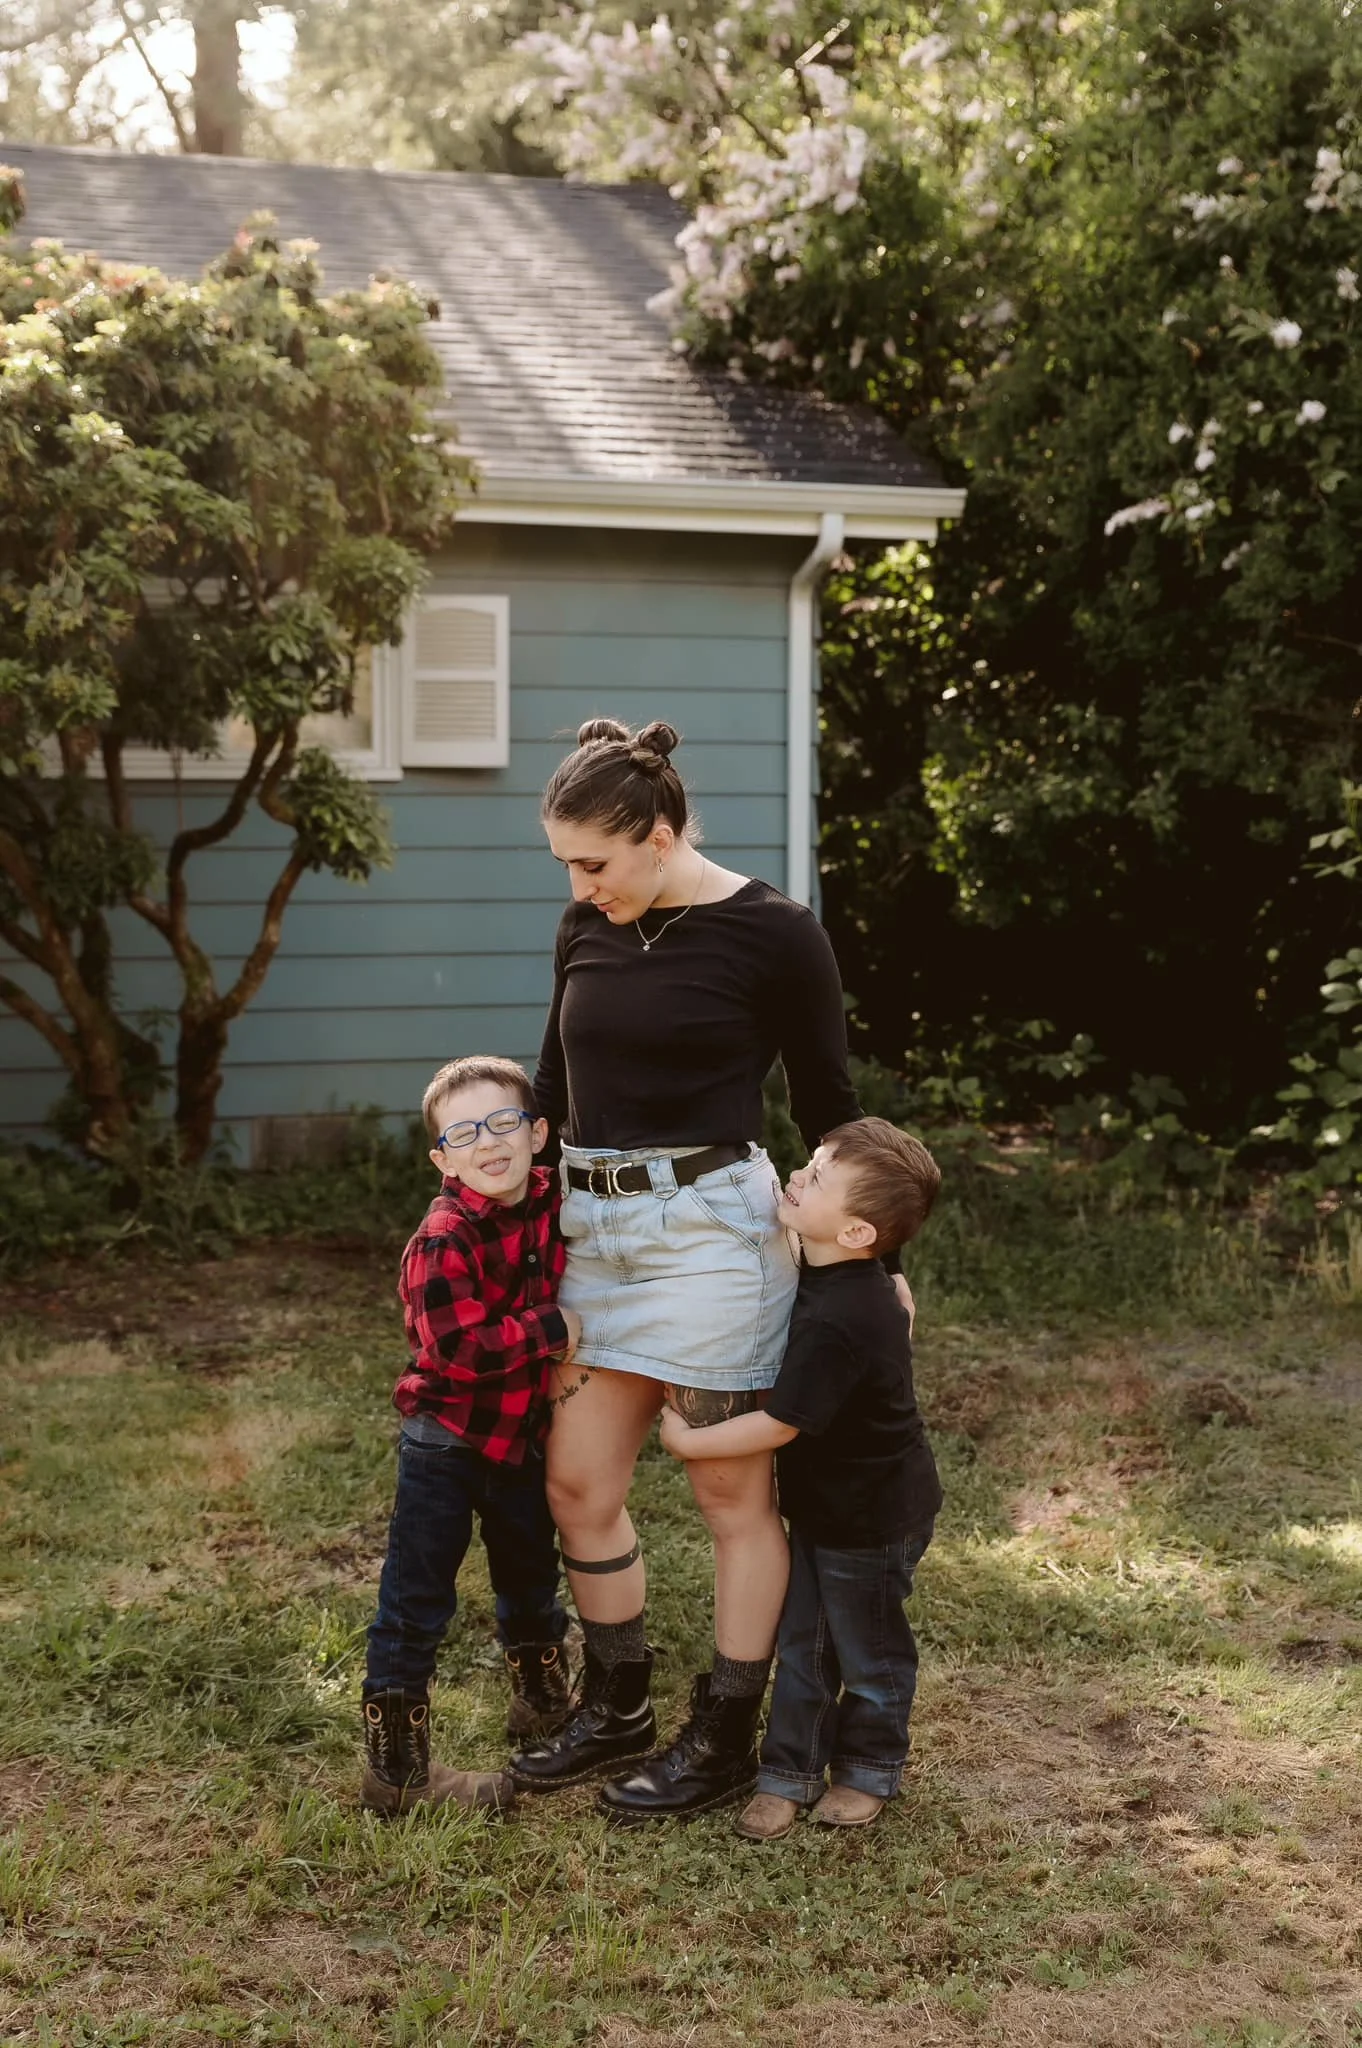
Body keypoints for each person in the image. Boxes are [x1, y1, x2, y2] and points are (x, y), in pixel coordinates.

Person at [510, 716, 914, 1823]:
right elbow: (553, 1086)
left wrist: (877, 1262)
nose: (581, 886)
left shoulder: (778, 934)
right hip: (595, 1233)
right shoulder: (584, 923)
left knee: (730, 1492)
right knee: (578, 1485)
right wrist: (486, 1200)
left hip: (712, 1235)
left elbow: (832, 1108)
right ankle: (618, 1705)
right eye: (567, 865)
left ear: (661, 833)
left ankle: (727, 1735)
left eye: (595, 861)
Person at [659, 1116, 943, 1839]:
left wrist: (691, 1441)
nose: (796, 1176)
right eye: (809, 1165)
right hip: (822, 1506)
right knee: (802, 1646)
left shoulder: (844, 1315)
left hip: (874, 1517)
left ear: (856, 1232)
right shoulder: (823, 1267)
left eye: (816, 1178)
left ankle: (868, 1769)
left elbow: (780, 1425)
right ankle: (787, 1775)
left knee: (868, 1653)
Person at [360, 1055, 582, 1818]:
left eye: (503, 1123)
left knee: (530, 1572)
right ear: (442, 1159)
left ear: (538, 1133)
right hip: (446, 1444)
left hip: (518, 1437)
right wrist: (551, 1328)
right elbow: (457, 1348)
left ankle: (542, 1700)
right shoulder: (443, 1238)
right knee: (416, 1595)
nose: (487, 1142)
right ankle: (397, 1772)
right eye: (464, 1133)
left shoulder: (555, 1203)